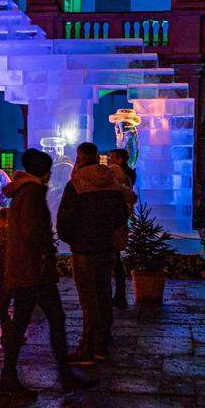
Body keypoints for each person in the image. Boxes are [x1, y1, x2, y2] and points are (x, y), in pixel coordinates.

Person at [0, 148, 95, 396]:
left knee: (27, 322)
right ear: (44, 171)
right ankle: (56, 375)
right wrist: (45, 254)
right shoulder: (32, 193)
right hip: (34, 271)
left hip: (25, 269)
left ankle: (14, 377)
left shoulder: (23, 191)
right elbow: (33, 232)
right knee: (49, 319)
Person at [57, 142, 129, 365]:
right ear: (97, 157)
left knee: (88, 299)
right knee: (104, 293)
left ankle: (88, 348)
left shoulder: (76, 183)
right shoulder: (111, 181)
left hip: (84, 249)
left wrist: (74, 238)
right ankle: (103, 342)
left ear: (79, 158)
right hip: (106, 247)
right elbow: (121, 214)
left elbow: (64, 219)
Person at [107, 149, 137, 309]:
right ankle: (119, 294)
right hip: (120, 220)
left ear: (120, 159)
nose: (109, 160)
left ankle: (119, 295)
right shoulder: (129, 174)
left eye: (111, 157)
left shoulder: (121, 177)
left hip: (116, 221)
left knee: (114, 259)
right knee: (116, 258)